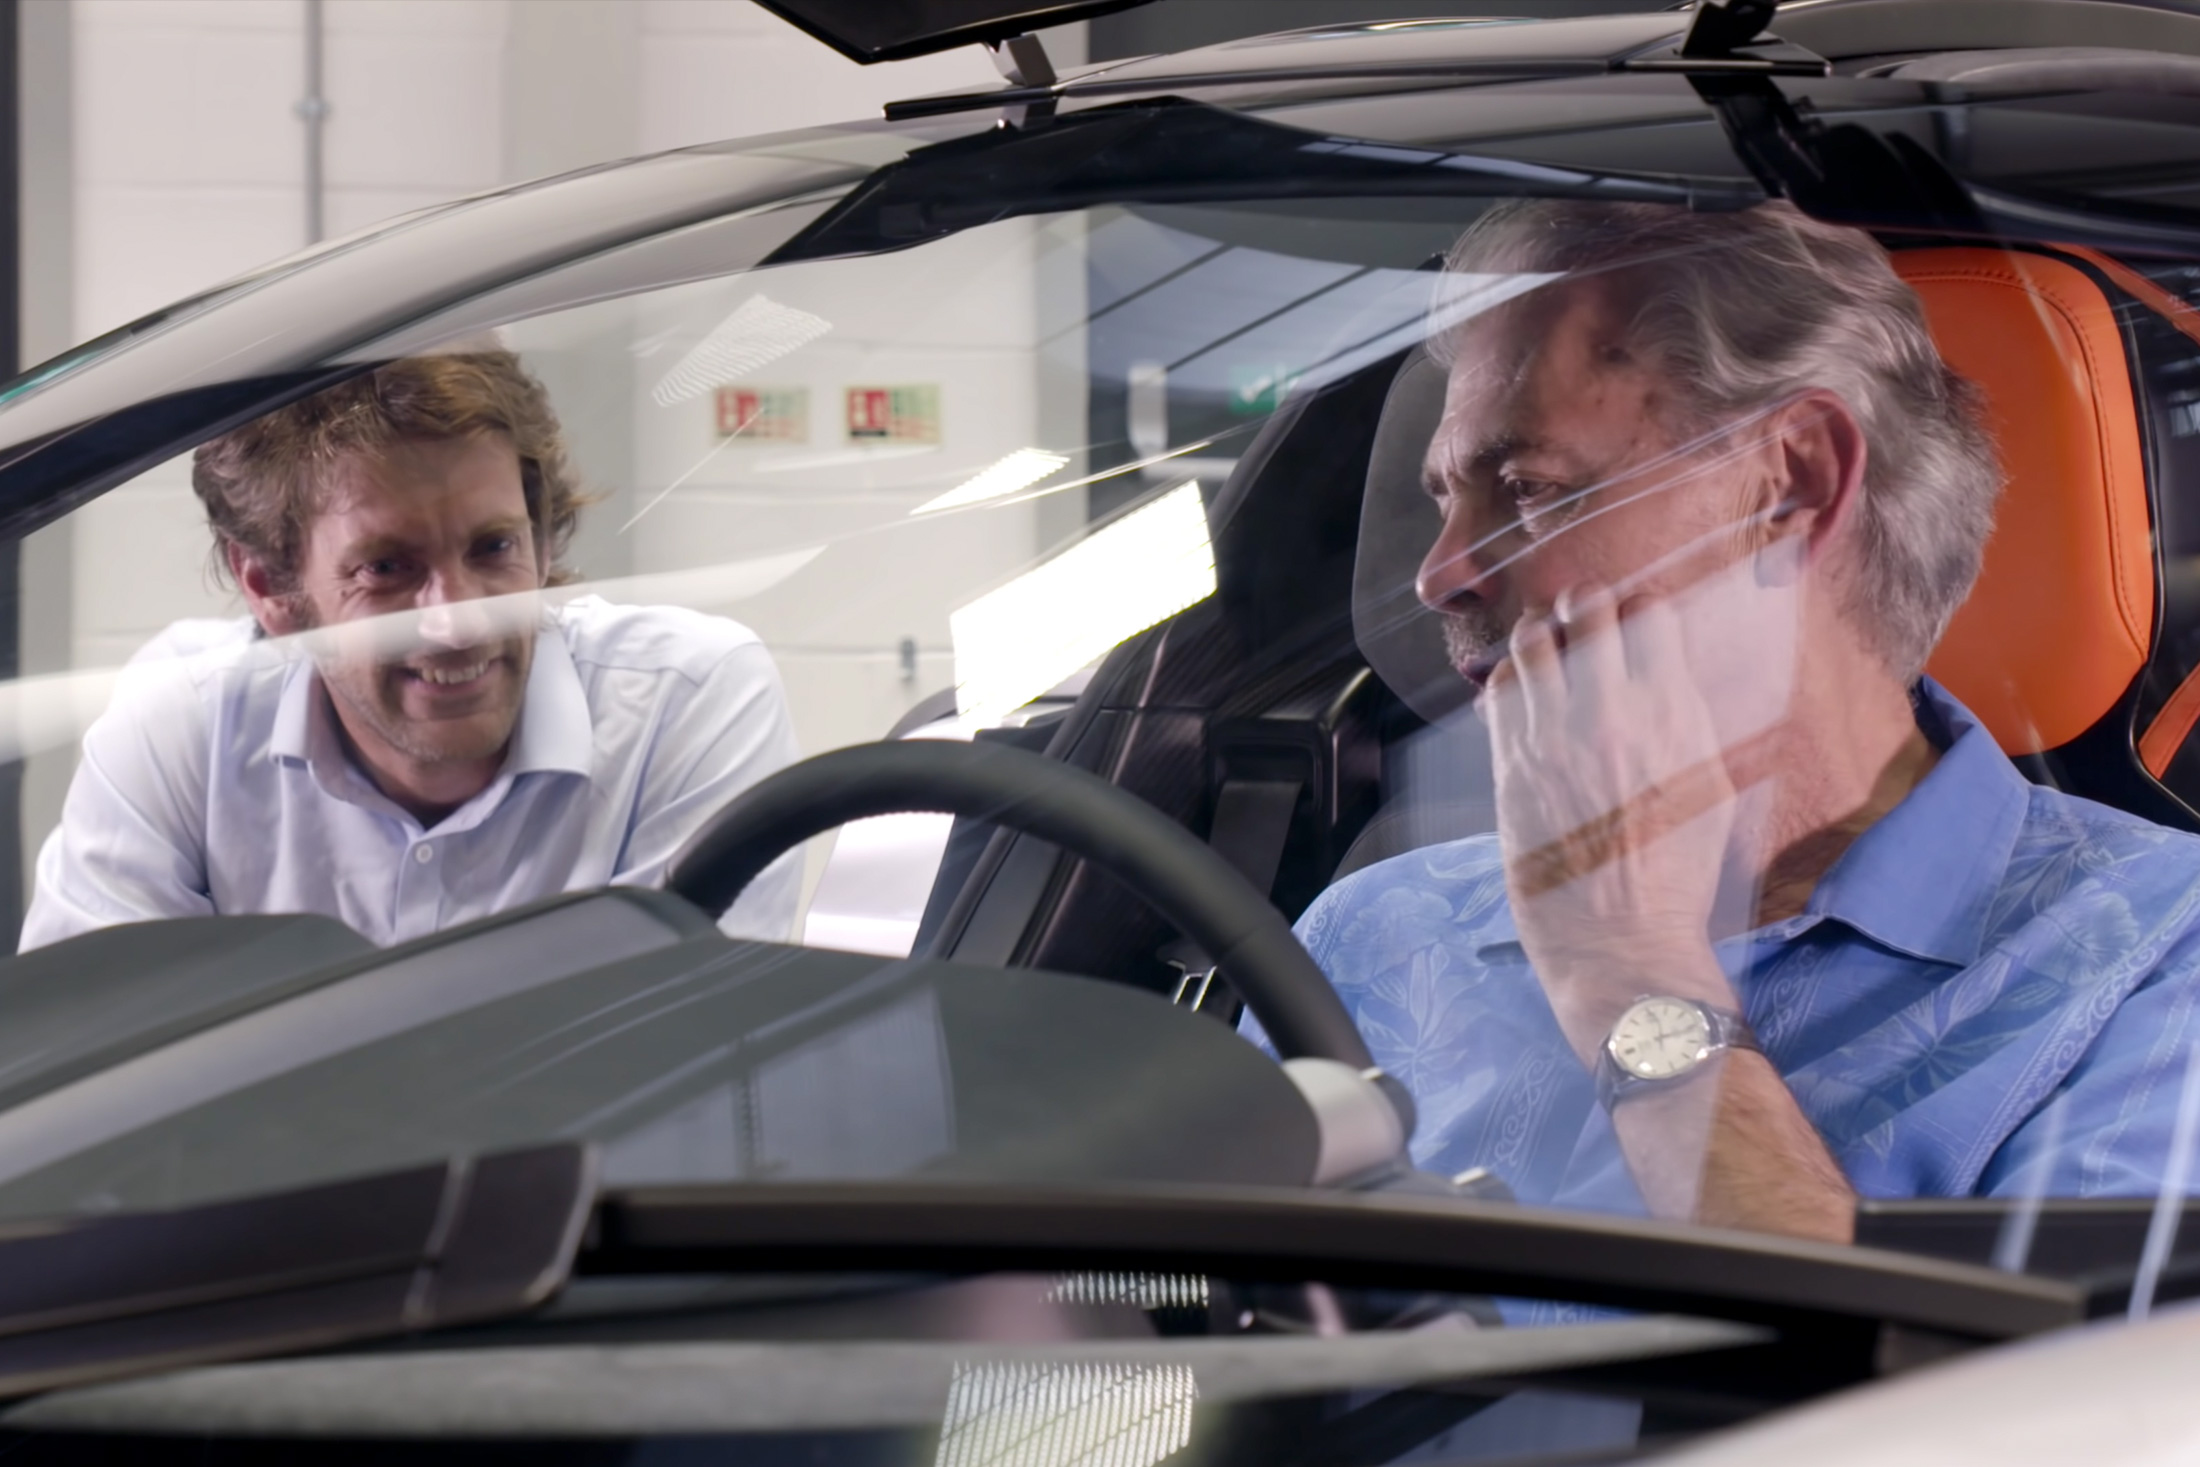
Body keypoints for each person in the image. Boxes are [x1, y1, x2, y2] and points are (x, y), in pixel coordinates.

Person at [1286, 200, 2200, 1241]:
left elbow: (1994, 1366)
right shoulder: (1372, 933)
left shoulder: (2158, 962)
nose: (1439, 574)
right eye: (1447, 499)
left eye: (1527, 487)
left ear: (1790, 486)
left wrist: (1628, 970)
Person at [20, 351, 800, 950]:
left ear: (539, 537)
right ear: (271, 587)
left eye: (493, 547)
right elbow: (90, 1058)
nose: (458, 623)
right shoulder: (183, 724)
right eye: (387, 568)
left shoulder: (684, 696)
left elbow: (693, 1057)